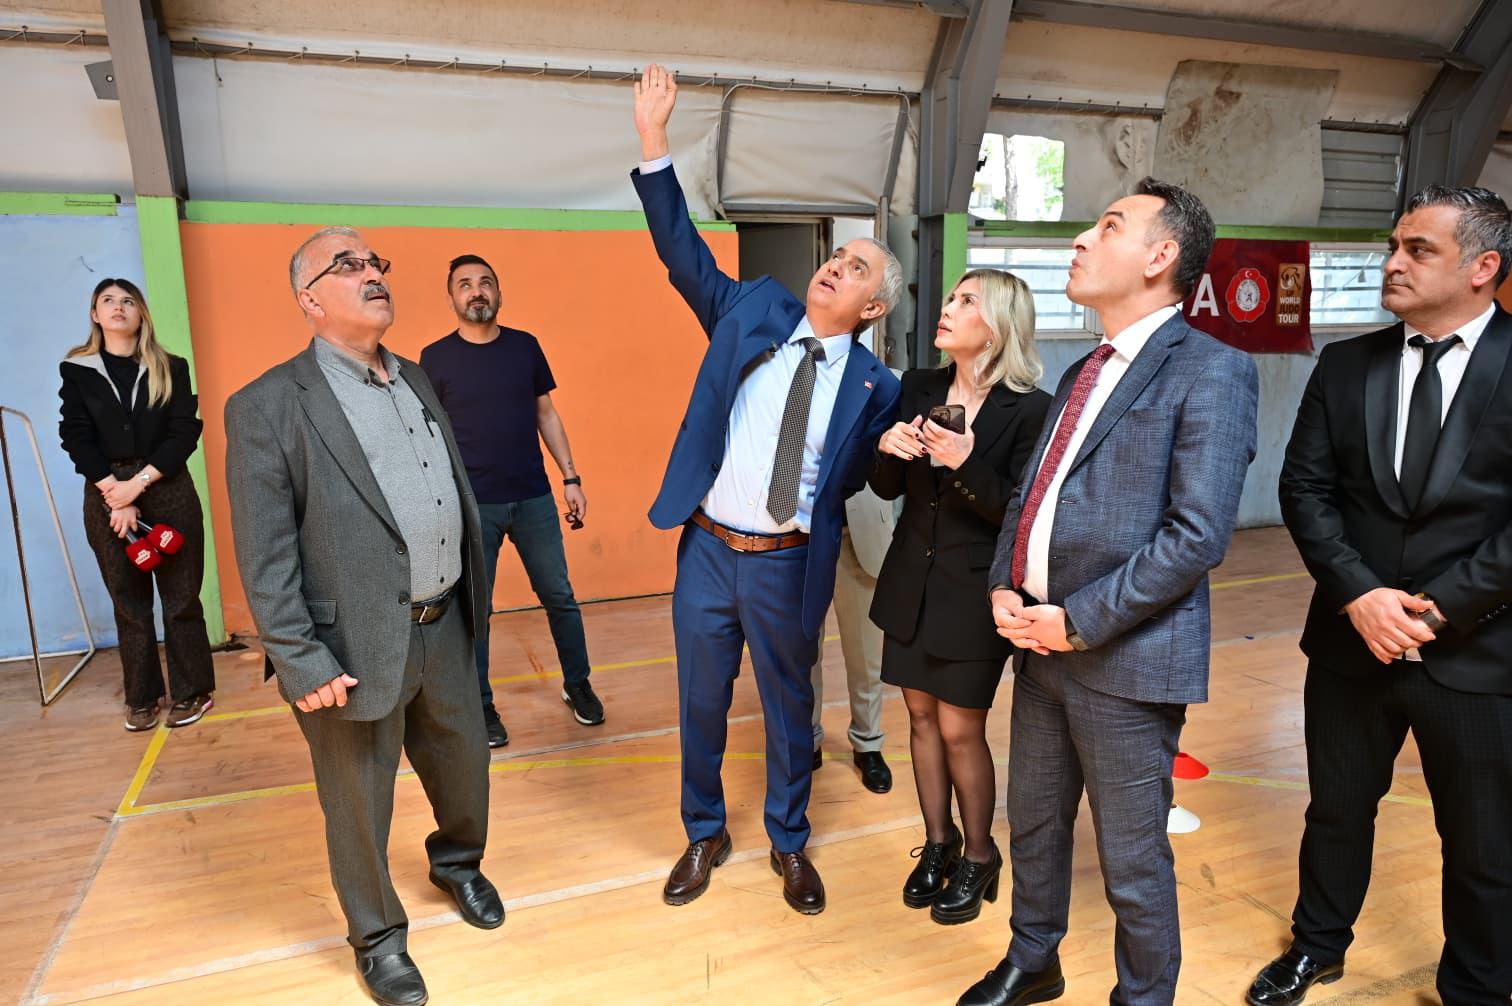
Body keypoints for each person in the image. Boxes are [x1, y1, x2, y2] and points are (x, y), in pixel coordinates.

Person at [962, 179, 1258, 1006]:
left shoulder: (1212, 370)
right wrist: (1004, 585)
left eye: (1109, 226)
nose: (1082, 241)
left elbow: (1196, 535)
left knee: (1131, 858)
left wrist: (1079, 621)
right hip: (1040, 645)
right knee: (1035, 821)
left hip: (1123, 658)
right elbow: (1032, 495)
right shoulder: (1084, 369)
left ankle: (1143, 996)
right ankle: (1034, 958)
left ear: (1161, 256)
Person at [631, 64, 902, 915]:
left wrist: (907, 447)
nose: (836, 267)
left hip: (788, 563)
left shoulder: (878, 387)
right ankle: (703, 831)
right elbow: (681, 253)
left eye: (856, 269)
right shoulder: (751, 308)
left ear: (872, 308)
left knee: (789, 712)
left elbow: (871, 476)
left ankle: (790, 840)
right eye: (837, 257)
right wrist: (654, 142)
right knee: (701, 703)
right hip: (710, 550)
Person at [224, 227, 501, 1006]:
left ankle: (458, 864)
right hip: (346, 646)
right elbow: (264, 554)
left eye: (375, 262)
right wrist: (299, 658)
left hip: (446, 623)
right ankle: (377, 939)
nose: (371, 272)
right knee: (356, 802)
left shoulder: (417, 379)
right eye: (346, 265)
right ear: (309, 301)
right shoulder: (267, 406)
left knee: (464, 768)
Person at [1253, 185, 1512, 1006]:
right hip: (1350, 640)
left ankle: (1477, 985)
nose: (1393, 263)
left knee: (1483, 841)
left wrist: (1436, 610)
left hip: (1479, 650)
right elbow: (1305, 491)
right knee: (1335, 811)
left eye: (1418, 249)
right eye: (1393, 246)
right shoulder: (1347, 364)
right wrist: (1361, 596)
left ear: (1483, 267)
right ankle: (1317, 946)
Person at [870, 269, 1050, 925]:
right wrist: (886, 448)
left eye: (965, 301)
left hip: (975, 592)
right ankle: (939, 843)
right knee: (919, 720)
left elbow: (1020, 514)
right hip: (910, 582)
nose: (947, 307)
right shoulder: (919, 387)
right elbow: (887, 488)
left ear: (997, 327)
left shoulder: (1031, 409)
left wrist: (965, 462)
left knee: (958, 727)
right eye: (950, 297)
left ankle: (979, 854)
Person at [420, 254, 604, 748]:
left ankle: (578, 684)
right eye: (465, 284)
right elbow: (430, 436)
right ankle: (480, 703)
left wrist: (571, 478)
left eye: (485, 282)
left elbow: (546, 414)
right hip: (473, 506)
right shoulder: (435, 358)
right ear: (452, 298)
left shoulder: (525, 347)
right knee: (476, 610)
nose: (476, 291)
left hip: (534, 498)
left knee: (560, 597)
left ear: (498, 293)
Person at [58, 278, 215, 731]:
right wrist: (116, 492)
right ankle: (142, 697)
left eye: (128, 300)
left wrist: (138, 484)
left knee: (181, 597)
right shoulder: (77, 370)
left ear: (140, 313)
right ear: (95, 314)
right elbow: (75, 436)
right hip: (105, 494)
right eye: (107, 301)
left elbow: (184, 431)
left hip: (167, 487)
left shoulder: (171, 366)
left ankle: (193, 691)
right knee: (128, 601)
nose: (118, 307)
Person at [809, 483, 894, 794]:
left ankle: (868, 742)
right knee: (803, 653)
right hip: (802, 531)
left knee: (867, 654)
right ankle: (806, 740)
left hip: (864, 529)